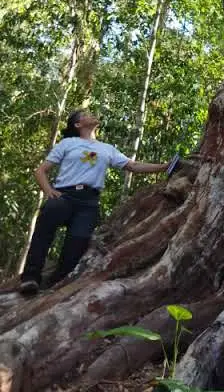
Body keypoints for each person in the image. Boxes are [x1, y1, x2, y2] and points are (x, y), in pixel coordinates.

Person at [20, 109, 170, 294]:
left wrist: (165, 167)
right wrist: (48, 191)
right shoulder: (68, 143)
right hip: (65, 196)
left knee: (76, 245)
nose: (91, 115)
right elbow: (41, 171)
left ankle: (55, 284)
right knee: (45, 226)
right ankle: (30, 277)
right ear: (77, 124)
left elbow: (133, 165)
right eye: (86, 114)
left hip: (88, 203)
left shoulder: (107, 148)